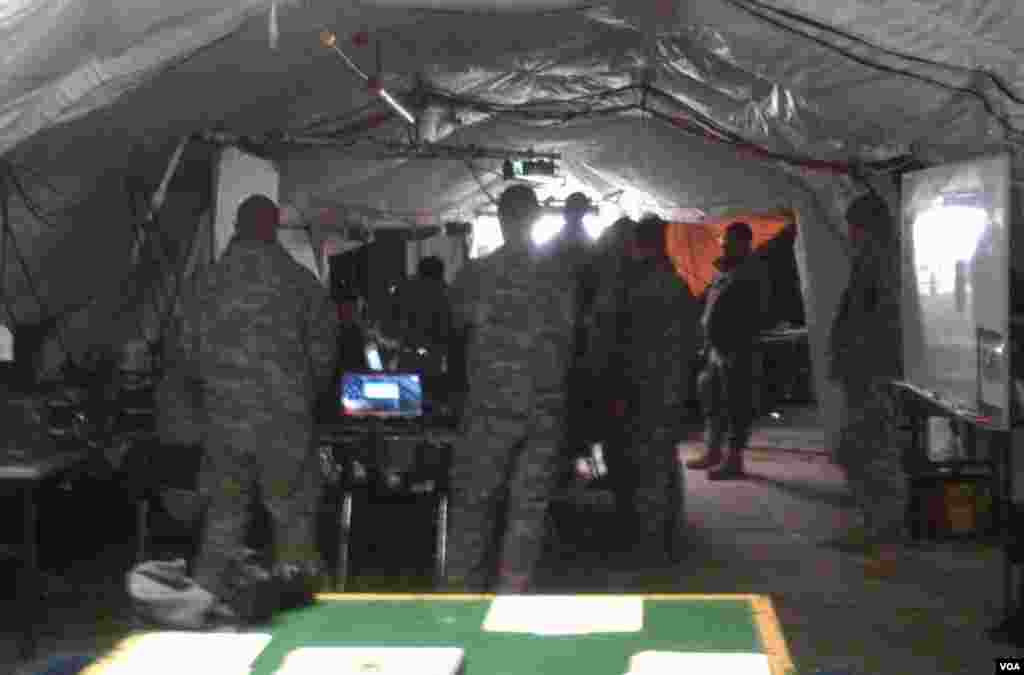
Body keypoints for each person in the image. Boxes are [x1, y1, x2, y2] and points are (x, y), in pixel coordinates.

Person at [179, 194, 338, 616]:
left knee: (222, 523)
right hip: (286, 424)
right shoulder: (301, 282)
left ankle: (198, 617)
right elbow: (324, 356)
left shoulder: (206, 282)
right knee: (293, 524)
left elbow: (186, 357)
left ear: (236, 225)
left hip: (225, 424)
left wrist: (218, 394)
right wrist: (298, 397)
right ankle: (298, 621)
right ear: (274, 227)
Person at [445, 184, 576, 593]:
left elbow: (452, 331)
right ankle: (512, 601)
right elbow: (571, 339)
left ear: (501, 220)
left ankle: (460, 604)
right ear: (536, 219)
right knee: (528, 512)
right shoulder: (561, 278)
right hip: (542, 412)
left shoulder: (476, 275)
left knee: (473, 508)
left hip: (489, 410)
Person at [591, 214, 699, 562]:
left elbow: (607, 341)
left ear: (638, 245)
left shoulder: (630, 288)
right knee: (663, 462)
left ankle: (649, 544)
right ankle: (667, 532)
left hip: (637, 389)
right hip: (669, 387)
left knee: (642, 464)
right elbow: (691, 340)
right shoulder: (676, 284)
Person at [826, 192, 906, 577]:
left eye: (854, 226)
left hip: (871, 374)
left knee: (872, 452)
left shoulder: (880, 264)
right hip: (864, 372)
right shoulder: (871, 262)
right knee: (858, 450)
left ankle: (884, 535)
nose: (851, 233)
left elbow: (879, 325)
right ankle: (875, 528)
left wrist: (868, 369)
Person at [687, 221, 763, 480]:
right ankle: (713, 451)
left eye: (730, 241)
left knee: (736, 405)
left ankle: (734, 459)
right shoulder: (725, 271)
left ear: (744, 243)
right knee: (712, 401)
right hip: (716, 348)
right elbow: (713, 307)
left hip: (736, 348)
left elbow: (755, 313)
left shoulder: (752, 272)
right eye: (724, 241)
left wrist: (737, 340)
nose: (725, 245)